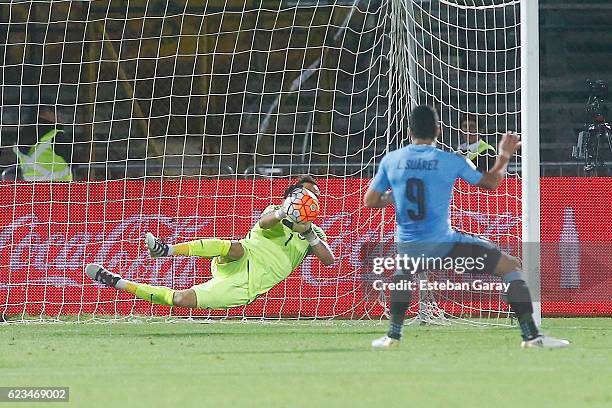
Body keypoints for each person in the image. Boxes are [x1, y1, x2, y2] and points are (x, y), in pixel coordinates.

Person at [364, 105, 569, 349]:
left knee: (404, 274)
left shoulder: (392, 160)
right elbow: (491, 183)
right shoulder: (450, 160)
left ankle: (393, 337)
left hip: (409, 245)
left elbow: (371, 201)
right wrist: (504, 155)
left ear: (409, 132)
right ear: (438, 130)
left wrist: (394, 197)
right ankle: (531, 337)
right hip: (444, 243)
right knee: (509, 266)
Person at [85, 176, 335, 310]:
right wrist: (283, 213)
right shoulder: (275, 212)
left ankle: (116, 281)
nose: (308, 197)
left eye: (314, 194)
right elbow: (264, 222)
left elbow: (329, 260)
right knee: (235, 247)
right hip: (243, 257)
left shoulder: (315, 234)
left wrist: (308, 233)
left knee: (180, 299)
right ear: (291, 196)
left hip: (245, 287)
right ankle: (167, 249)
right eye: (303, 193)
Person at [13, 105, 73, 181]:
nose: (59, 114)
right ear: (46, 113)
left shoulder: (20, 137)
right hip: (59, 188)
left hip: (30, 189)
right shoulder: (57, 137)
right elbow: (76, 160)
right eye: (56, 111)